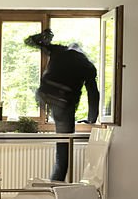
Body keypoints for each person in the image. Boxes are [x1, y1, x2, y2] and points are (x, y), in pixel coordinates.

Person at [24, 29, 99, 181]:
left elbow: (30, 41)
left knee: (62, 144)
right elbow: (93, 93)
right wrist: (92, 118)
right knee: (63, 152)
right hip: (64, 103)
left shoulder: (59, 50)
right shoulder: (87, 65)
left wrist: (44, 36)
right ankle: (56, 186)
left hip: (45, 94)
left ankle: (55, 185)